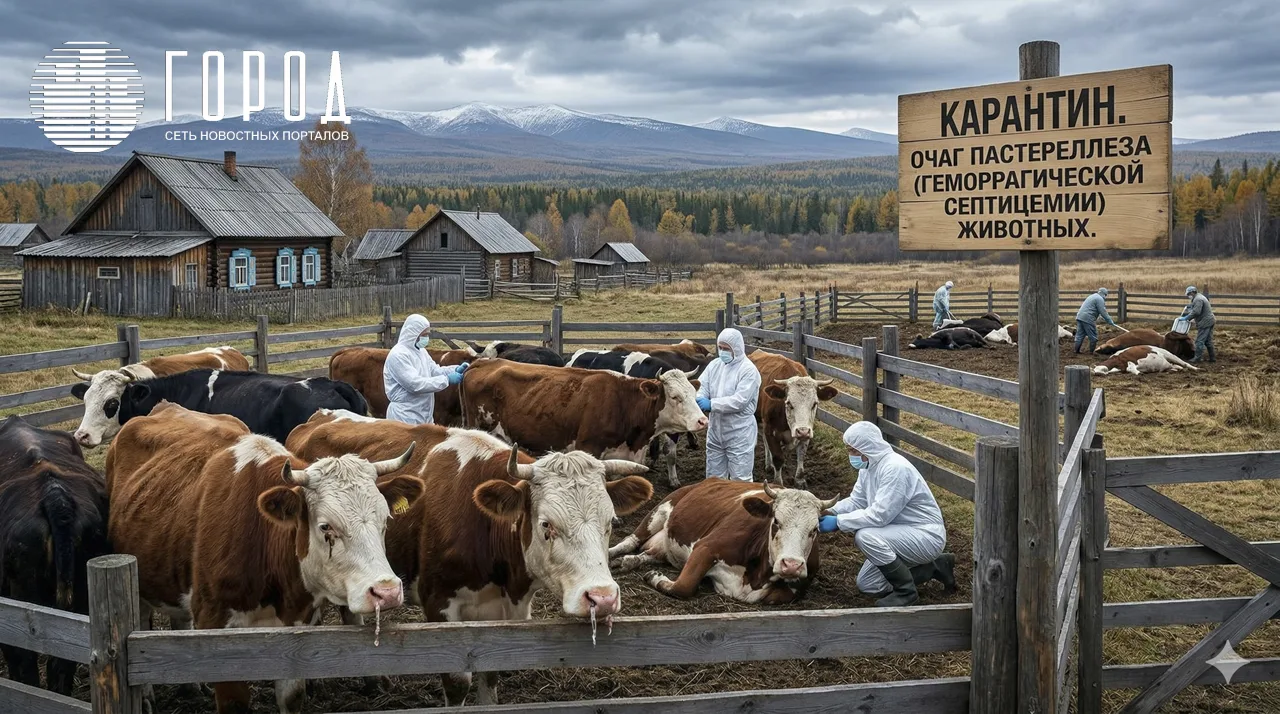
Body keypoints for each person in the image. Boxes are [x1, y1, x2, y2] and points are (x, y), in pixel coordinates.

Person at [817, 421, 954, 607]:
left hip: (925, 535)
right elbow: (858, 501)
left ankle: (906, 593)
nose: (850, 456)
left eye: (853, 450)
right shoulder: (869, 466)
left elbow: (879, 516)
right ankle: (936, 566)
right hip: (900, 532)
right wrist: (830, 510)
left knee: (865, 536)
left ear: (867, 448)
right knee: (868, 584)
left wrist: (838, 522)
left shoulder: (895, 469)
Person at [696, 328, 761, 482]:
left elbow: (740, 401)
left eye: (726, 349)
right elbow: (702, 385)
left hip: (739, 432)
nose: (722, 352)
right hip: (715, 430)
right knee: (713, 479)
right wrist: (699, 398)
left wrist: (712, 404)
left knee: (740, 480)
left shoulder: (748, 370)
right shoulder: (715, 365)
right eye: (720, 348)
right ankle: (715, 506)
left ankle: (739, 507)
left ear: (737, 348)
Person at [383, 313, 467, 425]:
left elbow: (433, 370)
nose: (426, 338)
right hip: (404, 416)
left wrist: (454, 369)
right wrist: (446, 380)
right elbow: (414, 384)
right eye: (424, 334)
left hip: (423, 414)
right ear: (413, 333)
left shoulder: (420, 351)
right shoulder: (398, 355)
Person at [1074, 287, 1118, 354]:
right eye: (1105, 295)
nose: (1105, 297)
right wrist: (1109, 320)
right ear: (1104, 294)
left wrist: (1101, 317)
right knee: (1093, 336)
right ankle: (1092, 352)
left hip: (1080, 316)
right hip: (1088, 318)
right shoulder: (1099, 299)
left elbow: (1093, 308)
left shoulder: (1093, 296)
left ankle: (1076, 351)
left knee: (1080, 335)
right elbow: (1103, 311)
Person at [1179, 286, 1216, 363]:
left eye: (1189, 294)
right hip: (1210, 320)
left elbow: (1196, 312)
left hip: (1205, 322)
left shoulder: (1198, 299)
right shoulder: (1198, 297)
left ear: (1192, 292)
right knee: (1208, 341)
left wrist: (1187, 318)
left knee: (1199, 341)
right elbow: (1196, 310)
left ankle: (1197, 358)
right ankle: (1212, 358)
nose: (1188, 296)